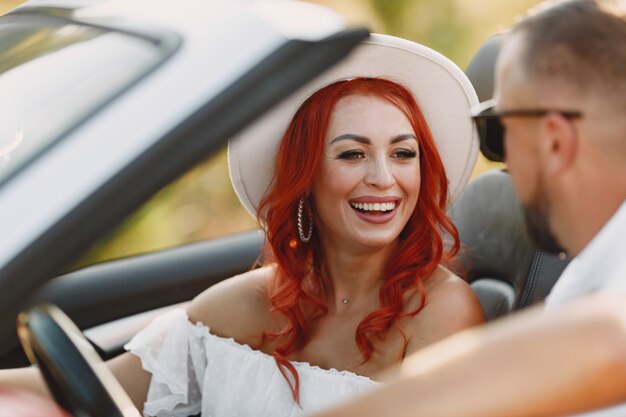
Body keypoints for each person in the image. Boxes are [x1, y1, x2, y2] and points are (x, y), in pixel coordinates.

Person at [0, 34, 485, 416]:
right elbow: (98, 385)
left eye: (403, 154)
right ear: (306, 176)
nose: (383, 179)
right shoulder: (245, 304)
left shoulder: (442, 314)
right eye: (353, 154)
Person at [311, 0, 626, 416]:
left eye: (496, 130)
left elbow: (610, 338)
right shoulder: (586, 279)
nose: (502, 164)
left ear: (553, 141)